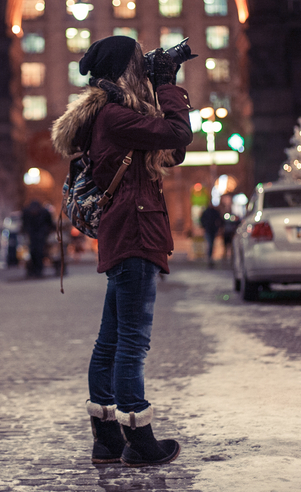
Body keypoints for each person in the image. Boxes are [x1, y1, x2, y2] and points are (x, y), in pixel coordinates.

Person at [51, 35, 192, 467]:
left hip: (127, 235)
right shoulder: (114, 116)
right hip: (134, 236)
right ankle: (139, 438)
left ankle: (107, 438)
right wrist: (166, 83)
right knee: (132, 343)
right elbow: (178, 129)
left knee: (110, 343)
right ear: (124, 70)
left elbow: (173, 152)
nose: (144, 67)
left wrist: (159, 87)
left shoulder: (113, 115)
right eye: (139, 62)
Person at [21, 200, 54, 278]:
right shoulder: (27, 213)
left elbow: (50, 224)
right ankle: (33, 270)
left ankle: (38, 271)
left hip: (40, 236)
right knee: (33, 253)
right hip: (33, 236)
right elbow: (24, 224)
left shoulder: (44, 213)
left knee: (39, 253)